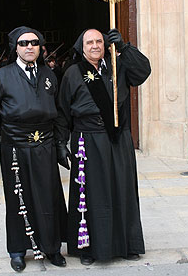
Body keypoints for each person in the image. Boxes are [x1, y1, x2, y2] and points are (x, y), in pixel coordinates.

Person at [57, 28, 151, 266]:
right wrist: (60, 141)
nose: (95, 46)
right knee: (91, 194)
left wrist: (125, 48)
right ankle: (89, 247)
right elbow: (63, 111)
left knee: (123, 189)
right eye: (90, 42)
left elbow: (143, 71)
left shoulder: (118, 66)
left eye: (100, 41)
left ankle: (126, 244)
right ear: (82, 46)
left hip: (119, 139)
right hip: (87, 140)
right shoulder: (73, 73)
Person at [0, 26, 69, 272]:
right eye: (23, 43)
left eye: (34, 42)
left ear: (40, 47)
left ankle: (51, 248)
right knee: (18, 196)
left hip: (45, 145)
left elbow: (61, 111)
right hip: (15, 146)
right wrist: (10, 133)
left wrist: (61, 142)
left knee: (48, 195)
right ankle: (18, 250)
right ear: (15, 48)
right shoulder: (2, 76)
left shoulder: (50, 75)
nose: (29, 47)